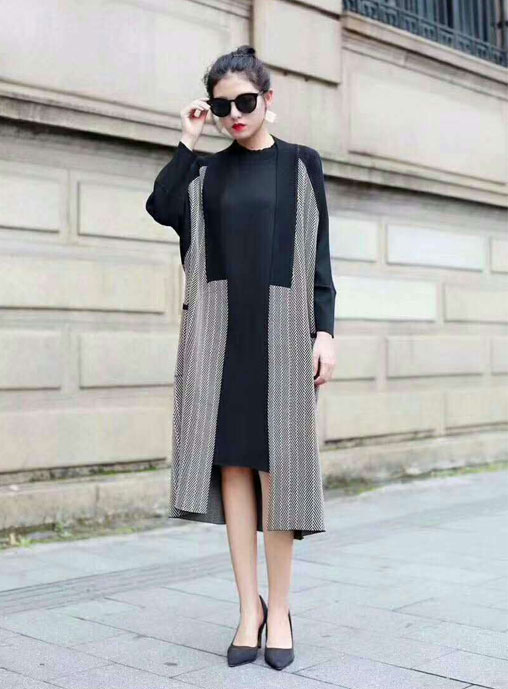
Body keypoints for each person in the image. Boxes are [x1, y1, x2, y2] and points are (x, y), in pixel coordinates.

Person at [145, 45, 336, 670]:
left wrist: (326, 332)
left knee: (278, 472)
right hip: (219, 334)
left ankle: (279, 609)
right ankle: (247, 608)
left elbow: (319, 259)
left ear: (268, 99)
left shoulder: (301, 164)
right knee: (232, 466)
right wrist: (187, 138)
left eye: (245, 102)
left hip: (282, 331)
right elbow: (161, 206)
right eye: (222, 105)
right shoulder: (206, 173)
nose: (234, 115)